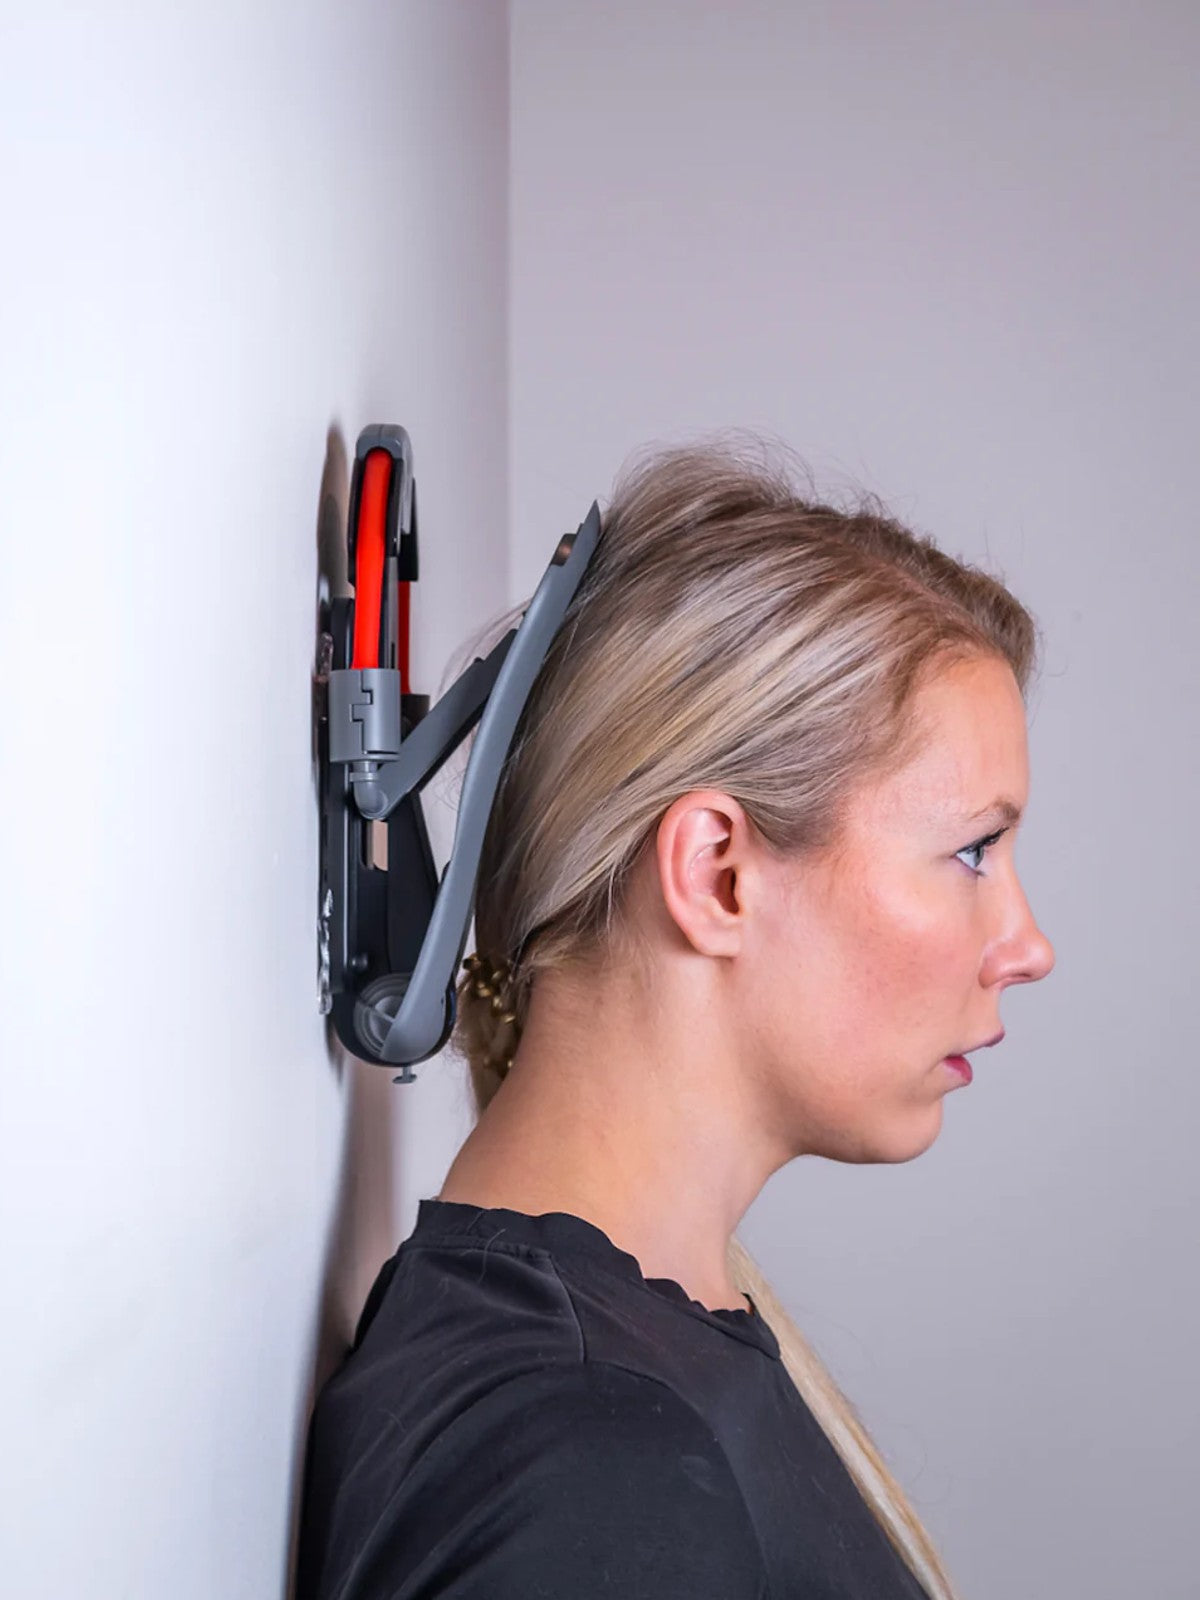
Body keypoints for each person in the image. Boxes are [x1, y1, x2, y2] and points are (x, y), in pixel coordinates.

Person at [294, 437, 1055, 1599]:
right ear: (716, 873)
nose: (1028, 947)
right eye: (971, 850)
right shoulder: (596, 1458)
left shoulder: (637, 1367)